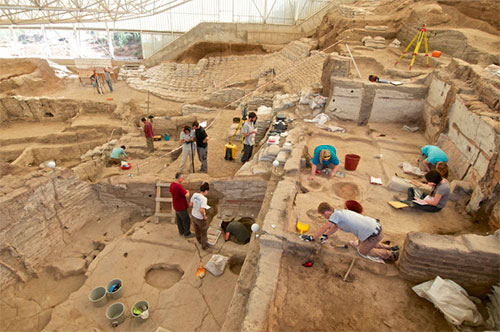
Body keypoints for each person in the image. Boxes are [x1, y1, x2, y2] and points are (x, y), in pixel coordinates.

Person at [300, 202, 399, 262]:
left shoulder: (334, 216)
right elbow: (335, 227)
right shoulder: (340, 212)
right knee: (362, 243)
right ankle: (390, 247)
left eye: (323, 215)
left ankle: (391, 254)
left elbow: (324, 228)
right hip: (376, 229)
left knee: (362, 251)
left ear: (325, 212)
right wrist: (326, 235)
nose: (324, 217)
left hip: (373, 235)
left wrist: (312, 238)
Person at [170, 173, 194, 238]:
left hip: (176, 205)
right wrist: (188, 191)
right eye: (182, 178)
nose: (183, 179)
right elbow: (187, 195)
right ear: (179, 178)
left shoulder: (172, 184)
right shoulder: (178, 186)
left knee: (179, 219)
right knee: (186, 220)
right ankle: (187, 233)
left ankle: (181, 231)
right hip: (181, 206)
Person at [190, 182, 211, 250]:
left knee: (196, 229)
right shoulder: (204, 199)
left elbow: (191, 204)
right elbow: (202, 210)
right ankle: (204, 246)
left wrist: (196, 206)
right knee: (203, 231)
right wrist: (204, 216)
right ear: (206, 191)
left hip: (193, 215)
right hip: (199, 218)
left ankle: (199, 240)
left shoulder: (195, 194)